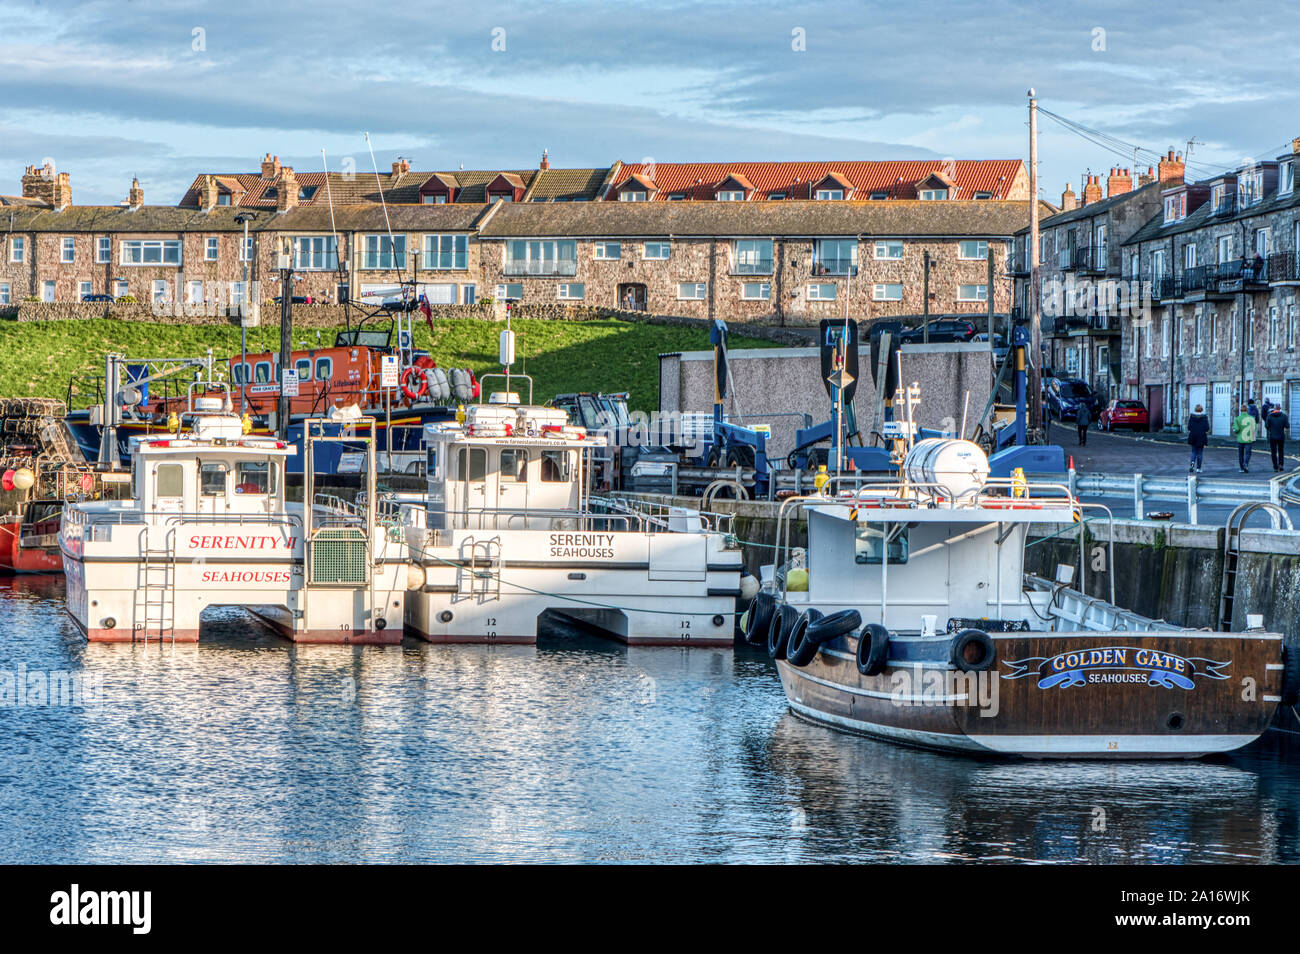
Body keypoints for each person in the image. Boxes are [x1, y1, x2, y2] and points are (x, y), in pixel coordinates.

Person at [1232, 404, 1257, 472]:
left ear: (1241, 410)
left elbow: (1236, 429)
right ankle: (1245, 463)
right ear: (1247, 410)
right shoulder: (1252, 418)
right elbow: (1254, 428)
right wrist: (1253, 437)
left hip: (1240, 439)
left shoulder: (1237, 419)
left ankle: (1241, 468)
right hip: (1248, 439)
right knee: (1248, 453)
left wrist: (1234, 430)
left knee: (1241, 454)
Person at [1265, 403, 1290, 472]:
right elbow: (1287, 426)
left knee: (1273, 452)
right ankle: (1281, 465)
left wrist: (1271, 429)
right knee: (1281, 451)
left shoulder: (1270, 416)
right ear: (1280, 408)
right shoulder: (1284, 416)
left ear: (1274, 408)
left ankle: (1275, 466)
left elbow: (1266, 426)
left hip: (1272, 436)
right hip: (1281, 436)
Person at [1187, 404, 1209, 473]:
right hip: (1201, 436)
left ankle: (1192, 465)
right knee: (1200, 453)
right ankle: (1198, 468)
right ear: (1201, 409)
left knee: (1193, 452)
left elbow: (1189, 427)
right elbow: (1207, 428)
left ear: (1195, 409)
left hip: (1193, 436)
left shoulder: (1192, 417)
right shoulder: (1204, 417)